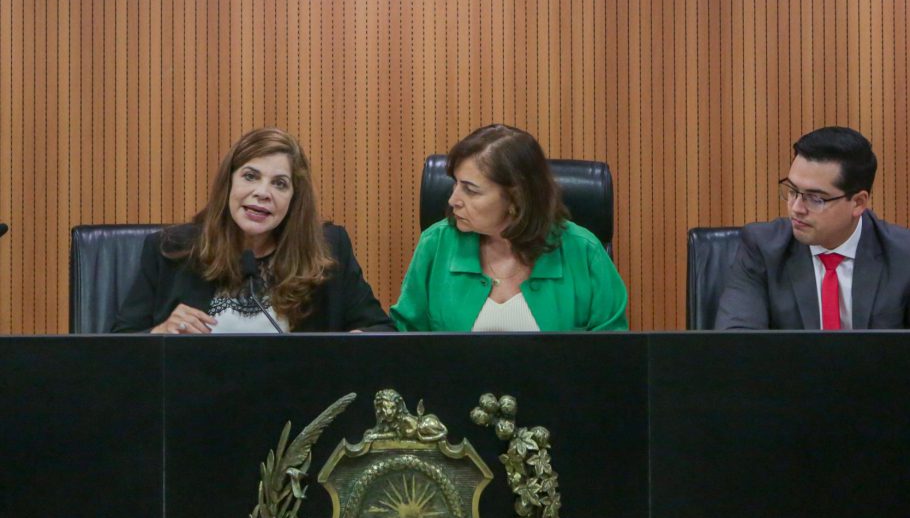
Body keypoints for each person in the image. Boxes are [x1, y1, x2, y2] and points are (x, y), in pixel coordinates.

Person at [112, 127, 393, 333]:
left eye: (279, 184)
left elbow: (381, 331)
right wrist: (160, 333)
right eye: (250, 176)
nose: (262, 193)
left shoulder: (328, 252)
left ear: (294, 199)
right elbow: (119, 347)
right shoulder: (171, 250)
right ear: (229, 184)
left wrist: (357, 343)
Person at [715, 126, 910, 330]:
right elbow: (738, 347)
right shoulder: (762, 248)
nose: (796, 208)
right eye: (792, 191)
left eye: (815, 198)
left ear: (858, 203)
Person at [390, 124, 628, 332]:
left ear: (516, 198)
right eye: (456, 184)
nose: (453, 200)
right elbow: (405, 342)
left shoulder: (584, 252)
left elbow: (613, 354)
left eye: (470, 190)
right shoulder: (436, 244)